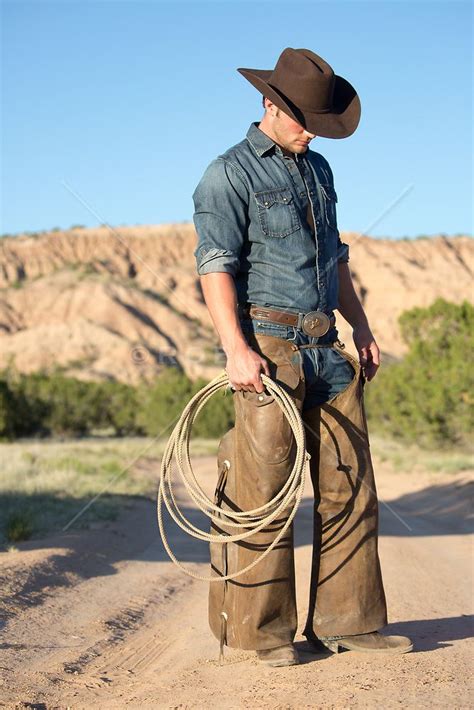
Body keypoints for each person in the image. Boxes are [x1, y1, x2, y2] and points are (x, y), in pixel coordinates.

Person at [192, 47, 412, 667]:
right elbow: (216, 268)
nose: (310, 130)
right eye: (300, 118)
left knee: (350, 486)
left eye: (317, 120)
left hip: (327, 350)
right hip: (268, 349)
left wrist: (361, 325)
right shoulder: (227, 174)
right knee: (263, 493)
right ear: (268, 103)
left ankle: (351, 622)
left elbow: (335, 258)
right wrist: (236, 349)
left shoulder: (319, 171)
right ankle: (257, 637)